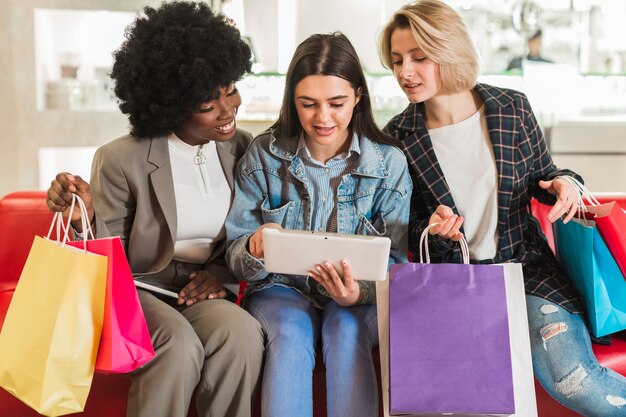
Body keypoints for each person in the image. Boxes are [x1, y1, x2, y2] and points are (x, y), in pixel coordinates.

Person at [379, 1, 626, 416]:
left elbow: (544, 178)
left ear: (450, 50)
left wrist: (567, 184)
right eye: (398, 59)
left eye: (420, 58)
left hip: (526, 275)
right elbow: (400, 227)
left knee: (575, 379)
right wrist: (432, 229)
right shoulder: (397, 137)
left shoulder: (511, 109)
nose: (405, 71)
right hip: (451, 290)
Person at [45, 2, 263, 417]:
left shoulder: (243, 148)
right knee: (175, 344)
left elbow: (246, 231)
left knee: (241, 333)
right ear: (170, 103)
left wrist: (218, 275)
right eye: (207, 104)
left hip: (200, 285)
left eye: (230, 89)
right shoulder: (120, 158)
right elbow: (108, 257)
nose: (228, 109)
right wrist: (84, 217)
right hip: (138, 287)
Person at [225, 32, 412, 417]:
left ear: (358, 96)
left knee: (346, 331)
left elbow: (395, 263)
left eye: (336, 103)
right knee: (291, 333)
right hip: (281, 290)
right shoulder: (263, 155)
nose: (322, 118)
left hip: (357, 300)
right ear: (292, 102)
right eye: (307, 104)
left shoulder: (388, 163)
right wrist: (253, 247)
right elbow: (234, 253)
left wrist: (357, 294)